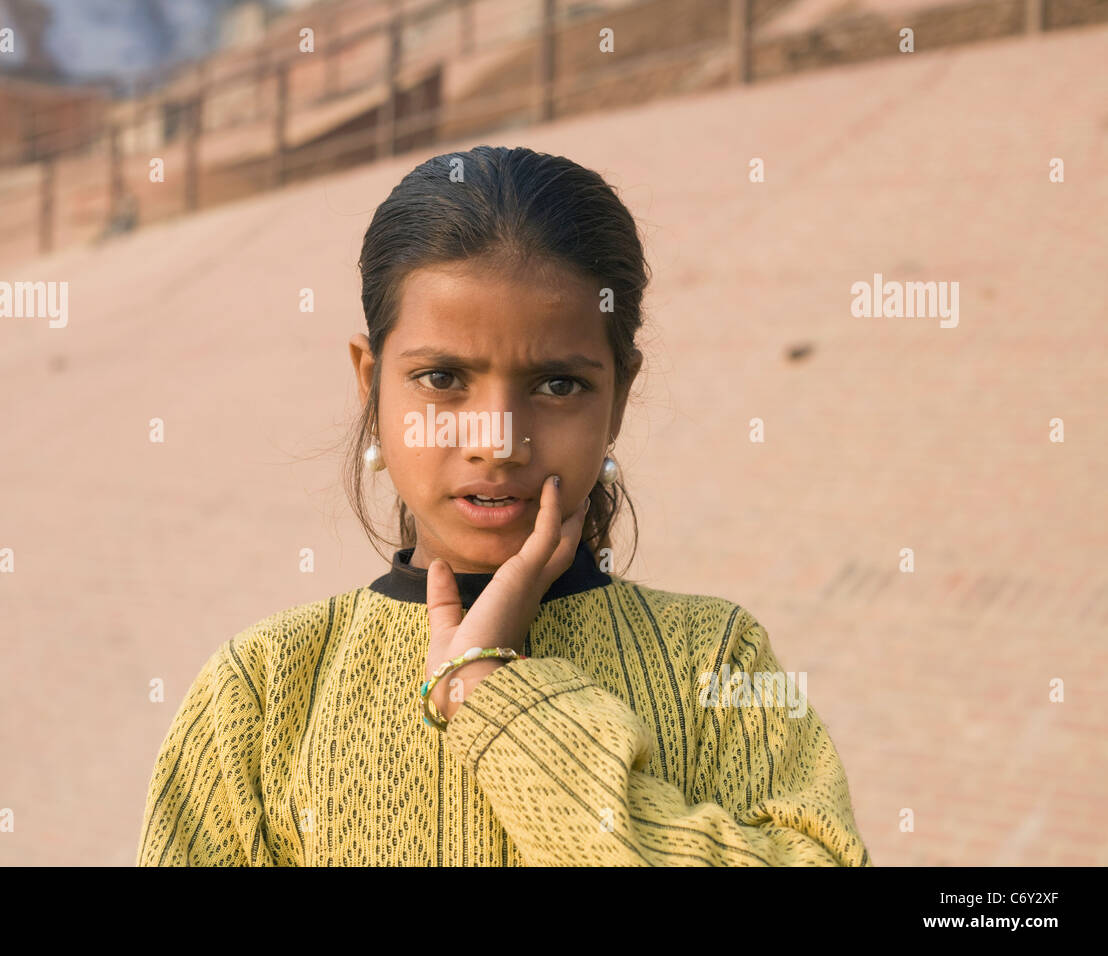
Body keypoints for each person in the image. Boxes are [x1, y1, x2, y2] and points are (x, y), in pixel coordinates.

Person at [136, 145, 872, 866]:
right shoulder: (263, 691)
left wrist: (501, 704)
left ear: (617, 397)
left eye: (557, 385)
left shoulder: (716, 657)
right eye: (443, 377)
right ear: (371, 384)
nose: (499, 442)